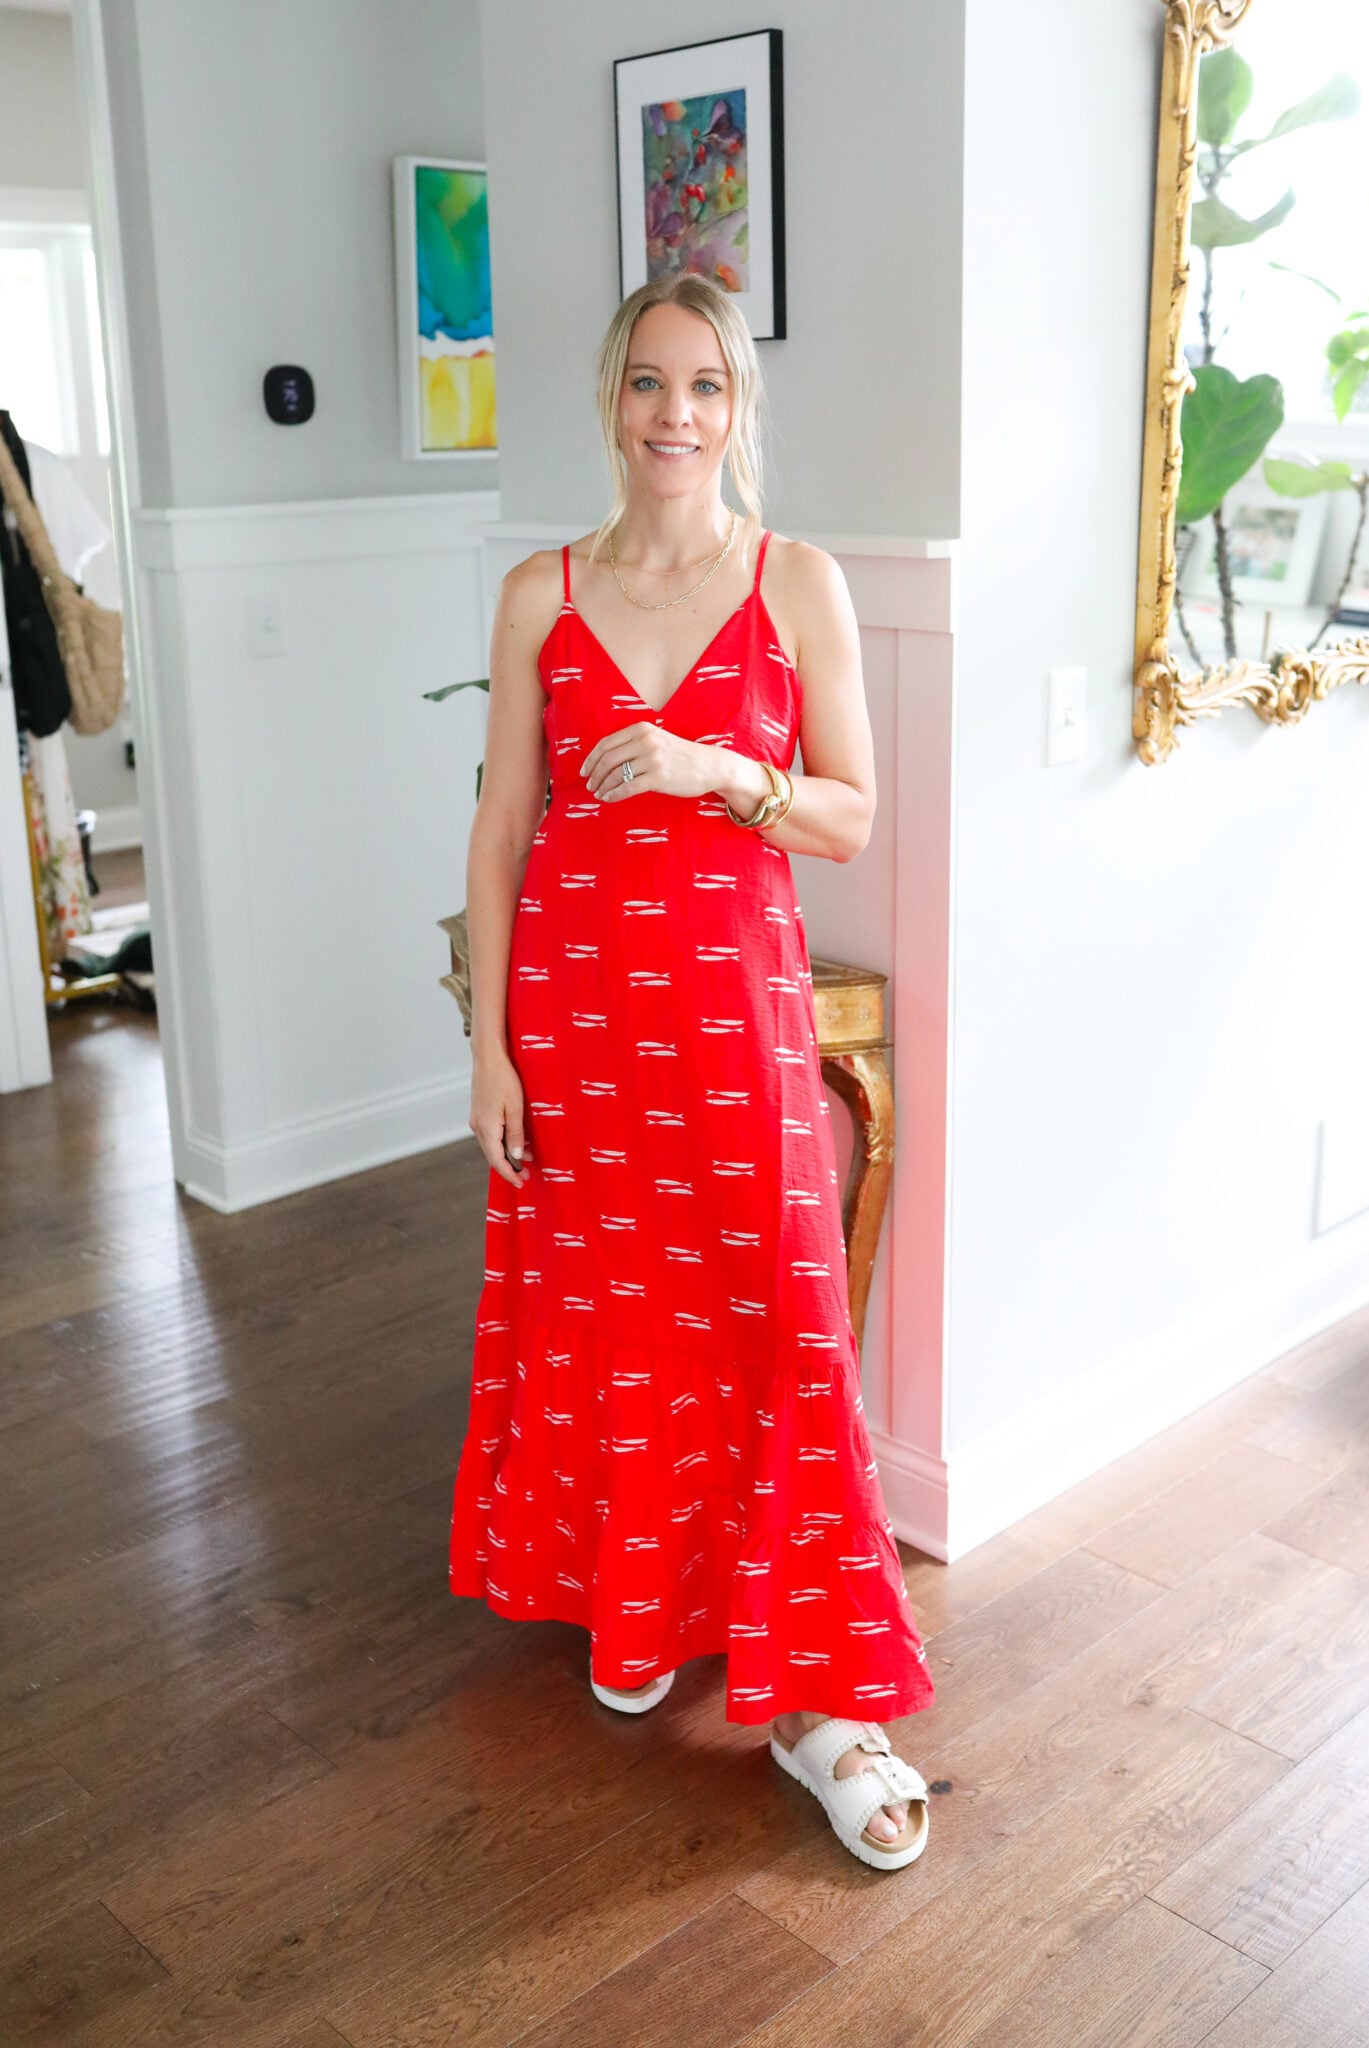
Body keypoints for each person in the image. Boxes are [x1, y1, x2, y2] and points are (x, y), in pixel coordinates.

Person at [449, 271, 936, 1870]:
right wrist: (490, 1052)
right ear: (611, 400)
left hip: (731, 1024)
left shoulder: (796, 583)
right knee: (617, 1319)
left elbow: (851, 813)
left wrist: (720, 768)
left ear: (740, 408)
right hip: (577, 1029)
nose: (674, 415)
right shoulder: (541, 592)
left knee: (780, 1324)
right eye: (648, 384)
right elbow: (503, 832)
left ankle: (819, 1708)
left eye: (706, 387)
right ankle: (637, 1603)